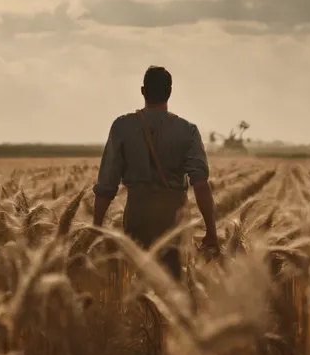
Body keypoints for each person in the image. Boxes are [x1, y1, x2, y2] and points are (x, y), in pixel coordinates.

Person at [92, 65, 219, 280]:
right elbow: (200, 184)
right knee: (172, 283)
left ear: (143, 91)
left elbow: (106, 185)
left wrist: (95, 228)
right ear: (170, 92)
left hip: (137, 216)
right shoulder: (187, 130)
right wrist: (211, 231)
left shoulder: (122, 127)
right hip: (172, 220)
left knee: (138, 281)